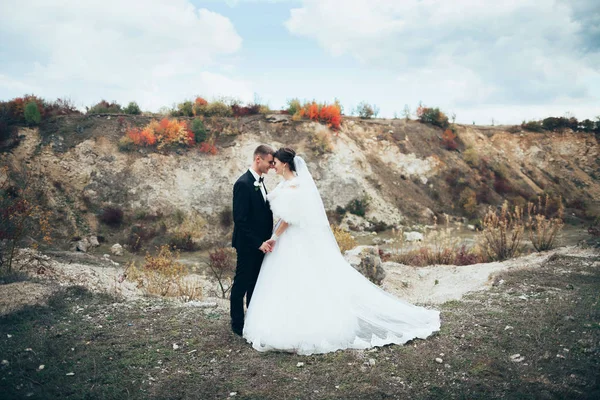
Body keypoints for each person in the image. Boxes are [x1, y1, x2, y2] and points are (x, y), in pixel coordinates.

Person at [243, 147, 440, 355]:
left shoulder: (295, 186)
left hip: (292, 239)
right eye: (271, 162)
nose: (272, 166)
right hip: (287, 240)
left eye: (275, 162)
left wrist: (274, 237)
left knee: (300, 279)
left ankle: (302, 329)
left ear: (284, 164)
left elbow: (288, 219)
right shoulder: (286, 183)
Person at [230, 145, 274, 336]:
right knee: (241, 284)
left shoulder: (260, 182)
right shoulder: (243, 183)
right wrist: (258, 243)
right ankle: (237, 324)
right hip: (248, 245)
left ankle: (252, 320)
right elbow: (240, 220)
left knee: (254, 284)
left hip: (261, 245)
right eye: (270, 162)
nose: (272, 166)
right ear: (258, 159)